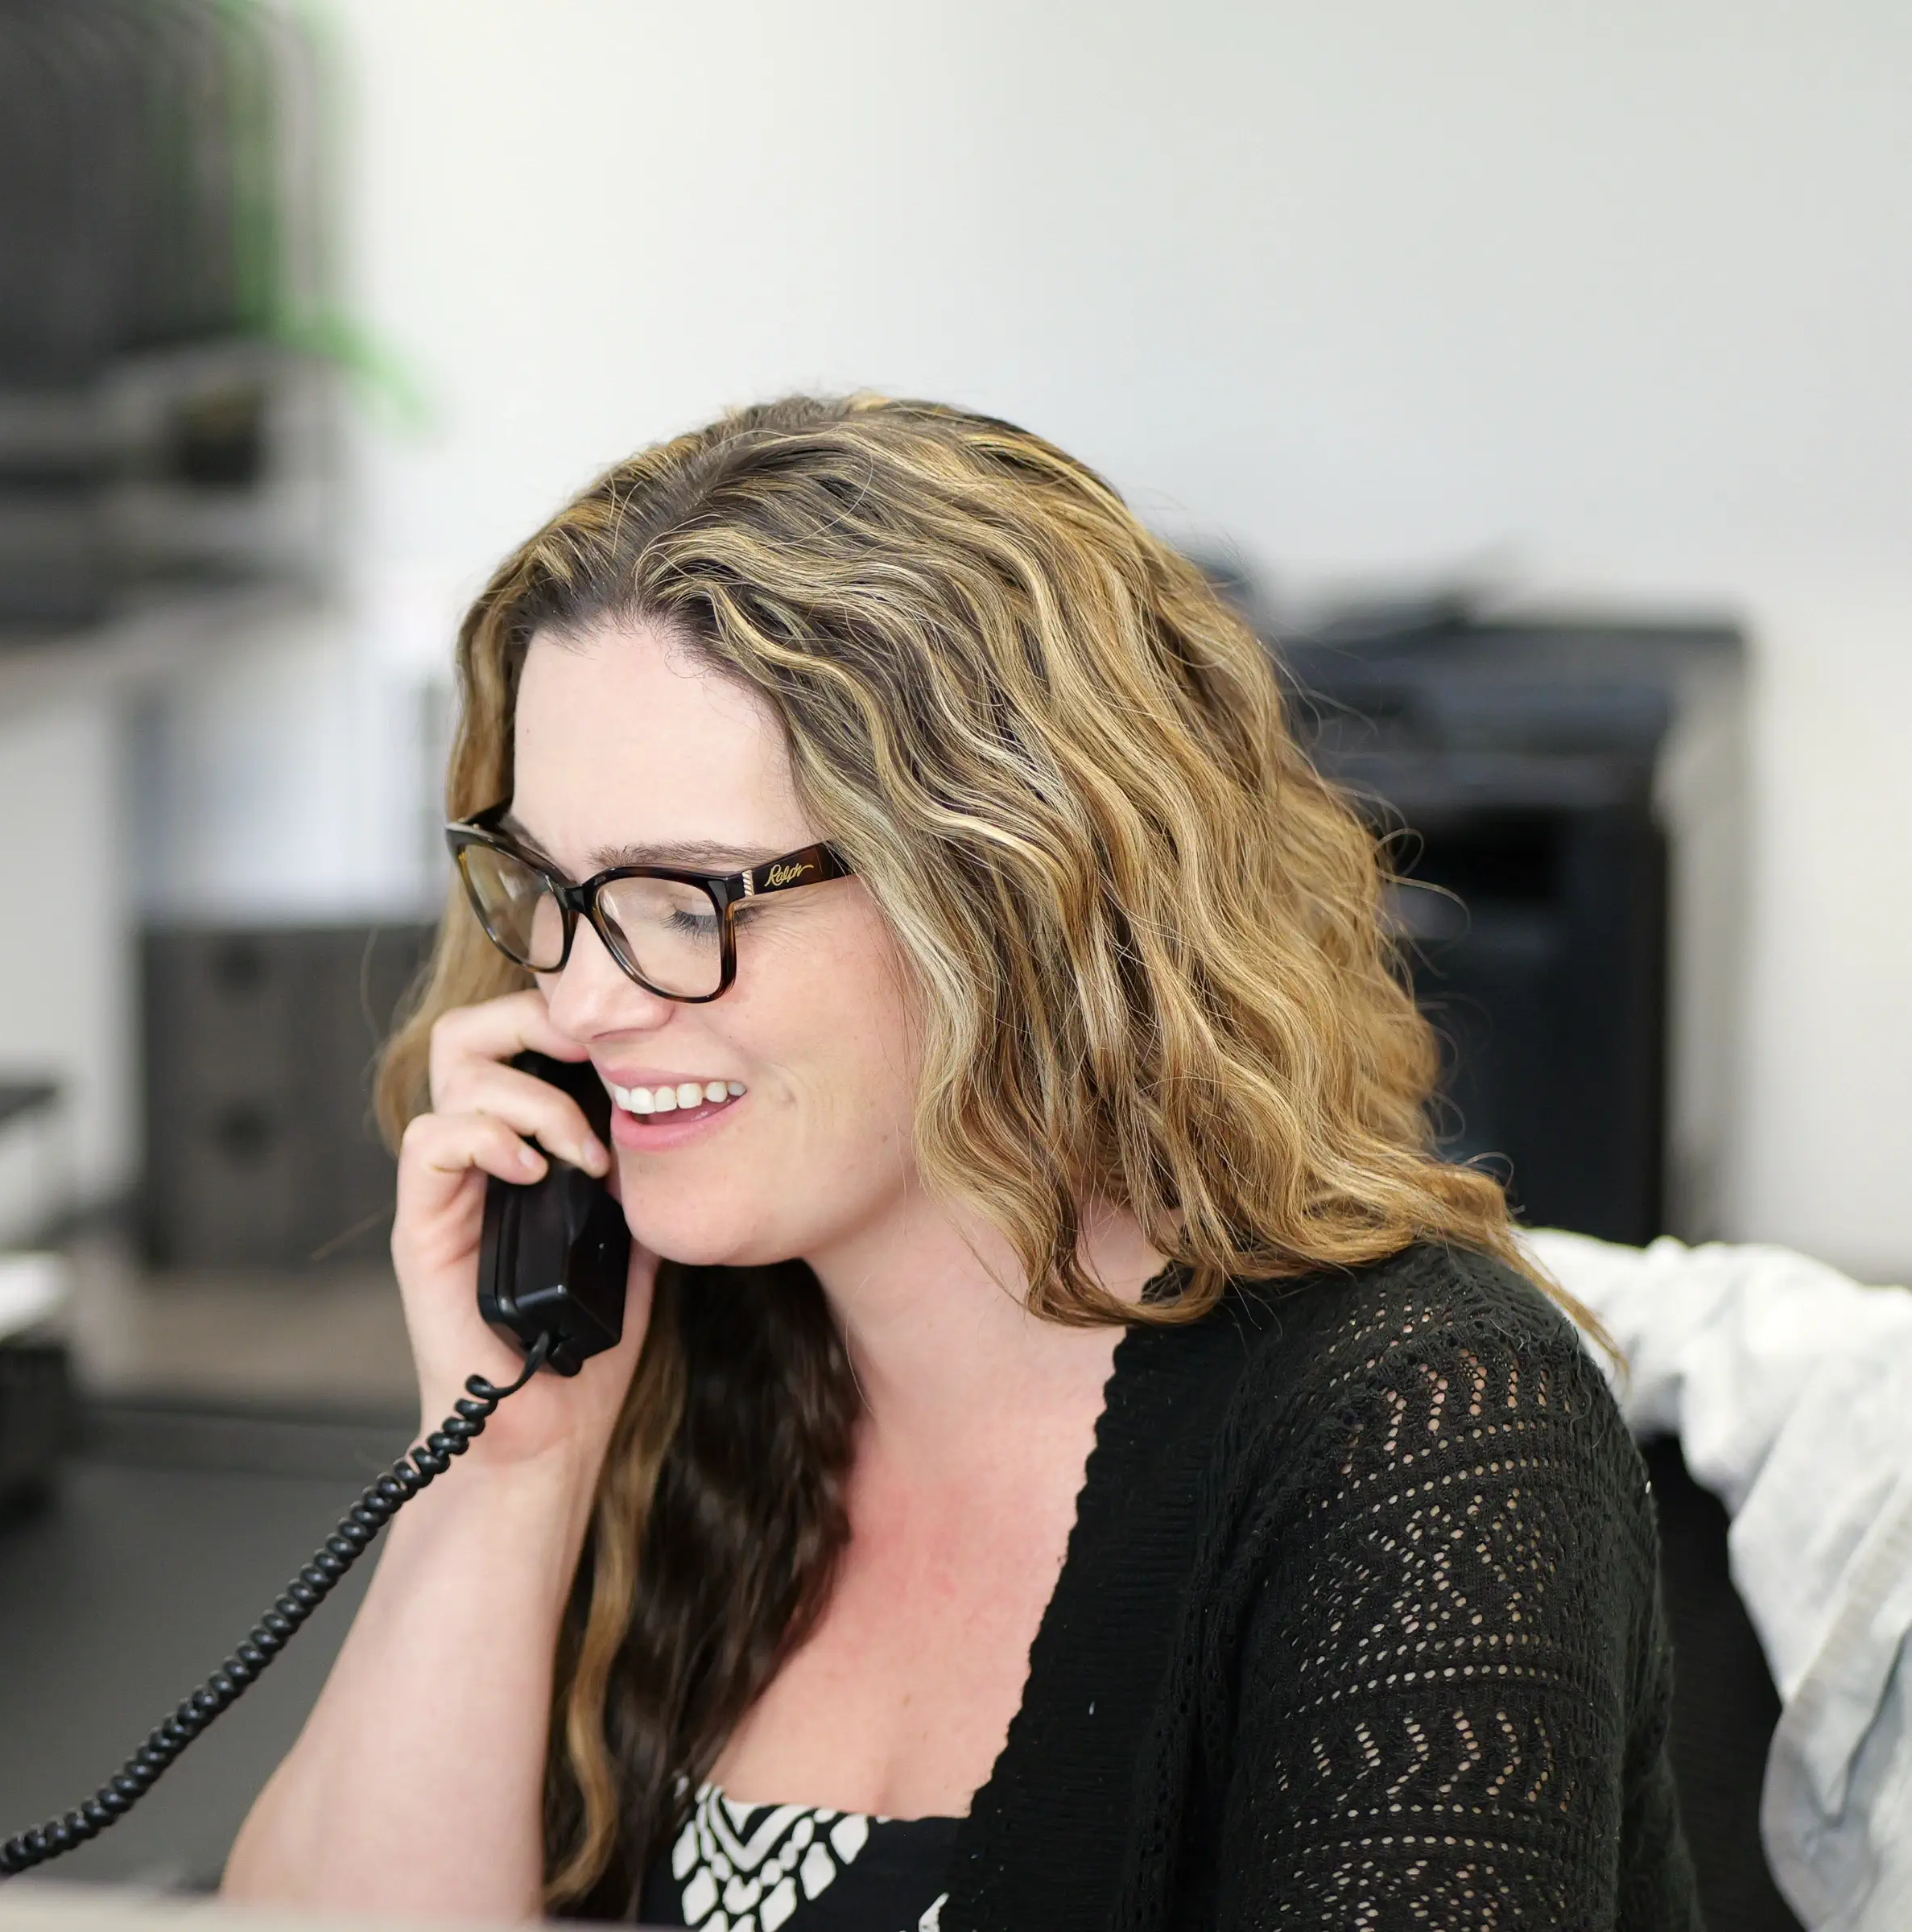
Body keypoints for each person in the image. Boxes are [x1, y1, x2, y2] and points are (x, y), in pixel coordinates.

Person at [222, 395, 1700, 1929]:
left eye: (688, 896)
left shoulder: (1421, 1432)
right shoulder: (681, 1369)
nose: (581, 999)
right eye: (551, 885)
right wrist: (505, 1467)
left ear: (1008, 888)